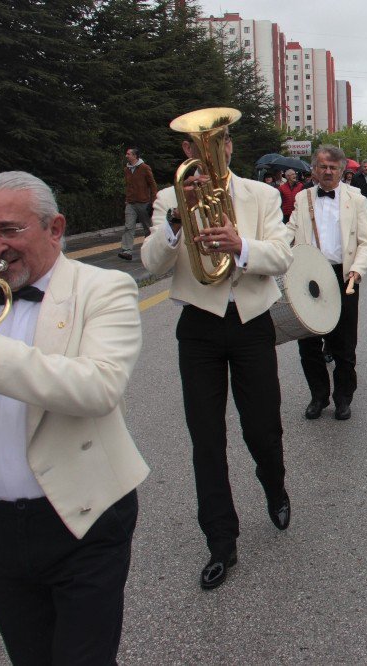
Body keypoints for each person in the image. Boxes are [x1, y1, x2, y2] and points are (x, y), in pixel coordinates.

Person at [0, 171, 149, 664]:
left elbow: (99, 386)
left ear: (55, 228)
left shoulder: (104, 288)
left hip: (85, 517)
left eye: (9, 230)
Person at [142, 128, 294, 591]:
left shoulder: (262, 194)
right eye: (199, 144)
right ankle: (220, 542)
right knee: (206, 438)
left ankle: (274, 484)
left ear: (230, 145)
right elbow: (152, 263)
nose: (213, 150)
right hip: (200, 327)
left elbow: (282, 254)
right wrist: (173, 220)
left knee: (262, 427)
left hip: (251, 323)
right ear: (188, 152)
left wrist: (240, 246)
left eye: (222, 141)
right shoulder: (170, 196)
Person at [287, 145, 367, 420]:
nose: (327, 171)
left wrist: (357, 271)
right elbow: (287, 234)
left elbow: (366, 242)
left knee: (344, 345)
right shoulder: (302, 199)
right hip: (307, 277)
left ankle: (343, 397)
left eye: (333, 167)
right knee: (308, 344)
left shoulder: (356, 199)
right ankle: (318, 396)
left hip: (343, 276)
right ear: (314, 169)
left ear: (341, 171)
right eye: (322, 166)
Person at [120, 146, 158, 260]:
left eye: (128, 154)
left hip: (144, 202)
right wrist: (127, 198)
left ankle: (152, 250)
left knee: (148, 228)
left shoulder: (145, 168)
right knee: (128, 226)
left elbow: (153, 185)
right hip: (130, 203)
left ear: (135, 156)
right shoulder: (126, 169)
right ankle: (127, 251)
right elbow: (128, 186)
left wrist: (153, 201)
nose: (126, 156)